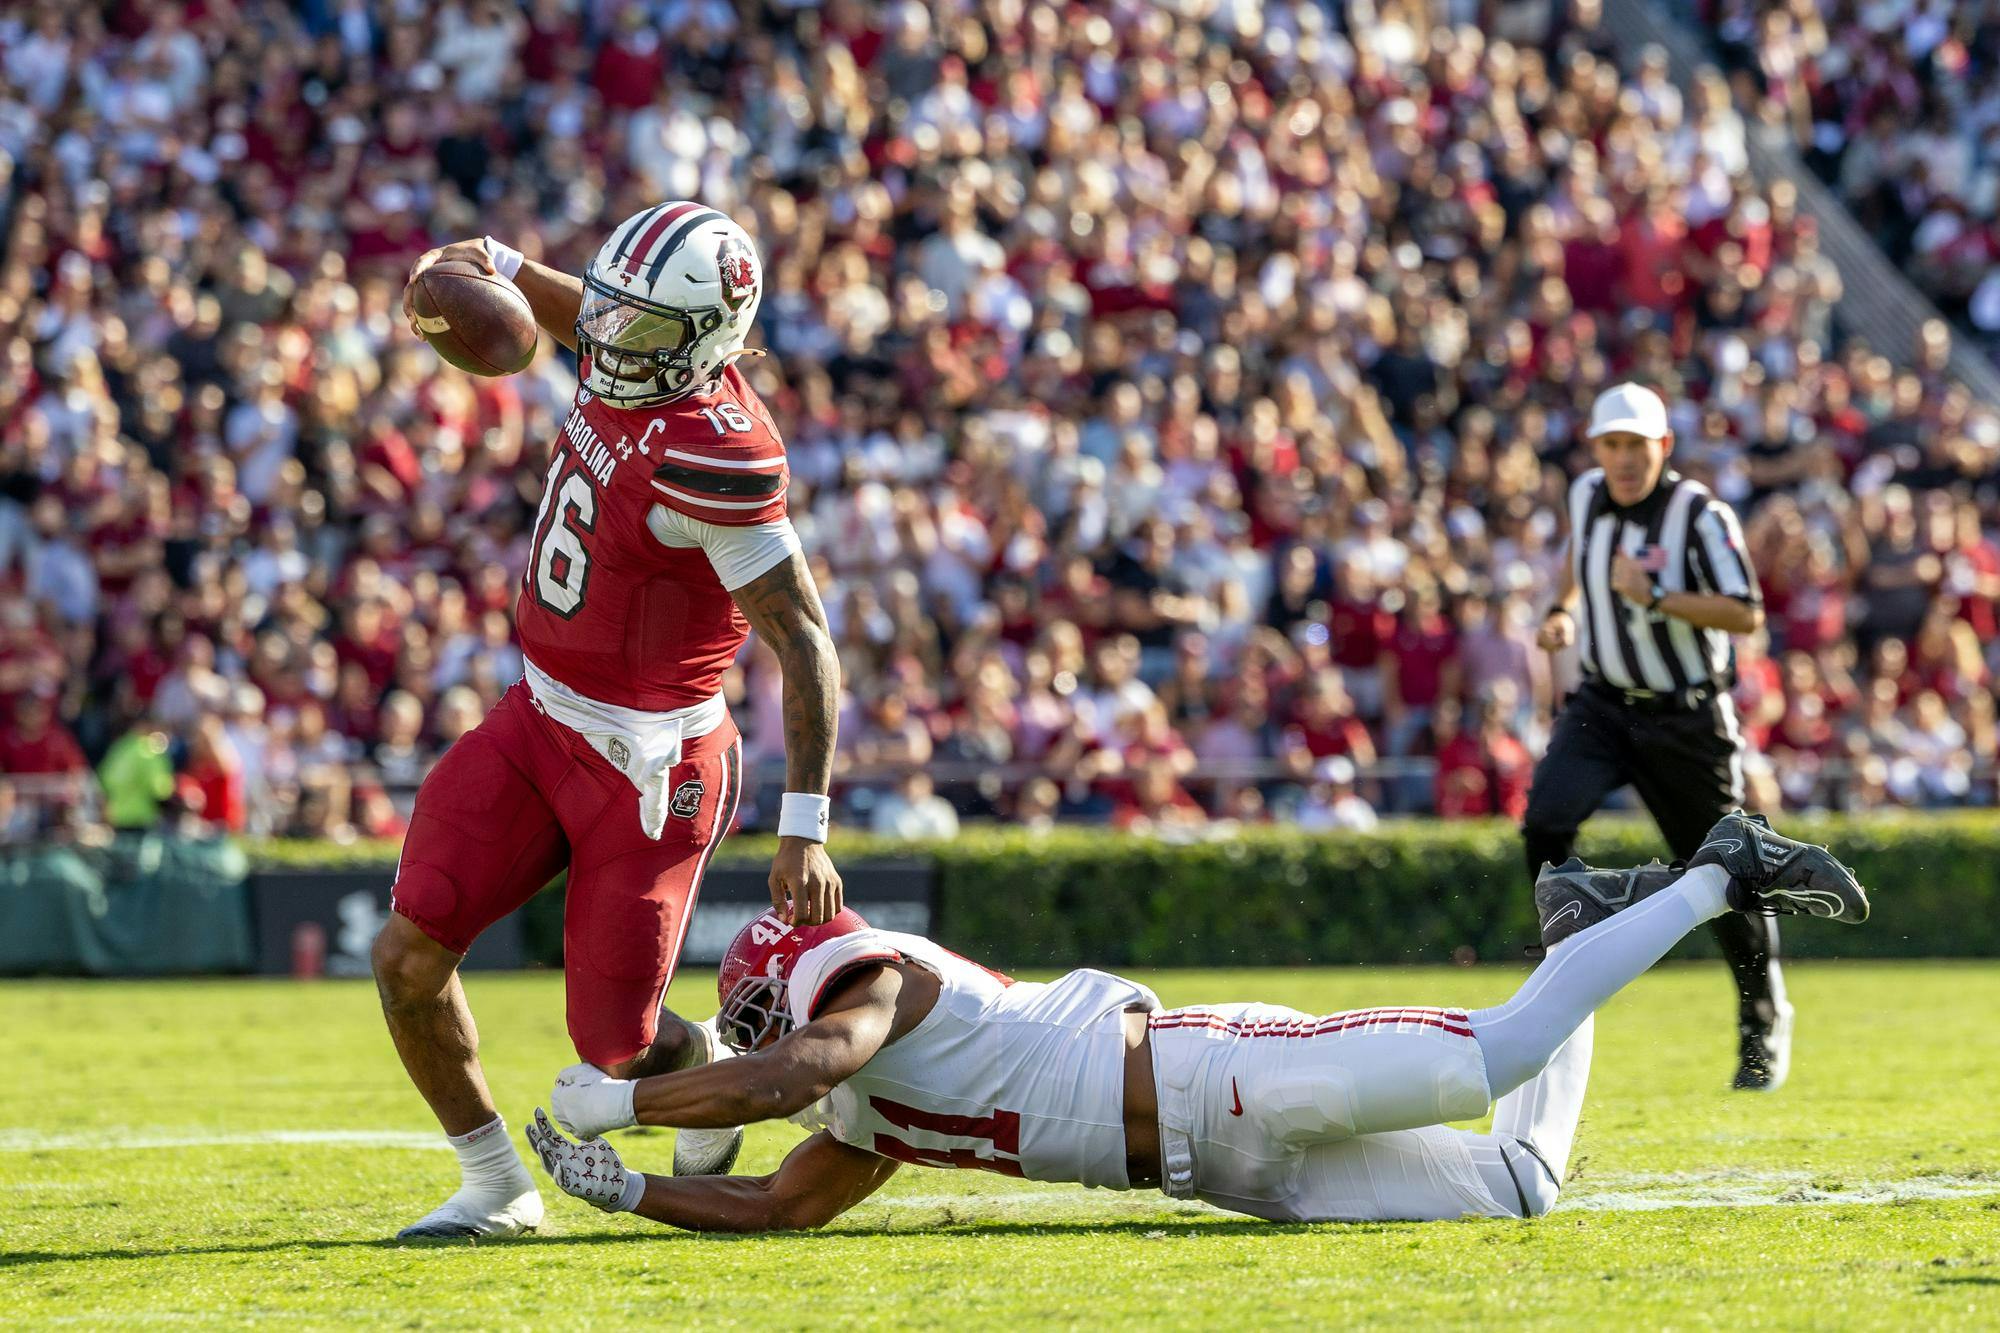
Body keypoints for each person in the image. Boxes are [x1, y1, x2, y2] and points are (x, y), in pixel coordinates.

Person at [527, 813, 1867, 1231]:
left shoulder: (871, 989)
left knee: (1504, 1050)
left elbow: (788, 1074)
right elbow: (775, 1207)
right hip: (1218, 1172)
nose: (761, 1034)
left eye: (758, 1013)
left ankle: (1715, 870)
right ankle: (1580, 923)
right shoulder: (865, 1109)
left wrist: (628, 1102)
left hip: (1217, 1079)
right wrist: (633, 1189)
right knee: (1519, 1183)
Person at [372, 203, 846, 1240]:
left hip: (651, 764)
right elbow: (564, 300)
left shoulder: (717, 454)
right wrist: (479, 260)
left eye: (638, 329)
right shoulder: (635, 333)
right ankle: (495, 1184)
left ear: (707, 336)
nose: (609, 344)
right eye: (611, 317)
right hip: (538, 716)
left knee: (617, 1048)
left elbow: (804, 641)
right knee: (406, 956)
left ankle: (710, 1061)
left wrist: (803, 821)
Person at [1523, 384, 1790, 1092]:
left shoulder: (1699, 513)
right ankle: (1563, 972)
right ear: (1595, 447)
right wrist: (1561, 609)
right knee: (1545, 818)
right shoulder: (1586, 492)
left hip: (1687, 718)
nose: (1623, 458)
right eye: (1611, 444)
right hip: (1605, 704)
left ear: (1663, 447)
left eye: (1636, 445)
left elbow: (1746, 612)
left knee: (1724, 877)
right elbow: (1580, 556)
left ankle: (1761, 1015)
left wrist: (1658, 597)